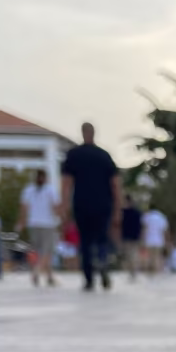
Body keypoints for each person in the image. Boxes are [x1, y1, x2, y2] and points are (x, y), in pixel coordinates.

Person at [60, 122, 120, 291]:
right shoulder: (104, 156)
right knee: (101, 238)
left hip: (82, 204)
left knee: (85, 241)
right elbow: (115, 184)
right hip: (103, 204)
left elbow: (66, 183)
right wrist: (117, 210)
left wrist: (64, 206)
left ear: (82, 133)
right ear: (94, 134)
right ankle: (102, 262)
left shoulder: (74, 155)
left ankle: (88, 279)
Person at [17, 169, 60, 287]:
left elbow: (24, 208)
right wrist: (61, 219)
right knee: (47, 251)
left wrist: (21, 222)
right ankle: (36, 272)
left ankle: (50, 276)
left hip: (34, 223)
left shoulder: (28, 190)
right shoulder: (50, 190)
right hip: (48, 224)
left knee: (40, 251)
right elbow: (55, 207)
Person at [140, 206, 169, 276]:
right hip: (159, 240)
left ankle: (149, 271)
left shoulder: (147, 216)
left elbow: (144, 228)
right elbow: (165, 230)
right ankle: (155, 271)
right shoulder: (162, 217)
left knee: (149, 256)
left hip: (149, 239)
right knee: (156, 256)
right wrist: (167, 240)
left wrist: (142, 238)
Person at [120, 196, 143, 281]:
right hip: (130, 236)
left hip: (130, 236)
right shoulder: (136, 212)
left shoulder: (124, 213)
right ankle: (133, 271)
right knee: (131, 254)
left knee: (132, 254)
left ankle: (133, 271)